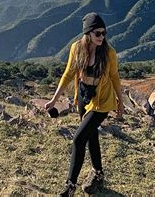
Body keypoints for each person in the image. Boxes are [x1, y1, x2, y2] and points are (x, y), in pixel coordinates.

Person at [45, 12, 124, 196]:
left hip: (102, 100)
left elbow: (114, 77)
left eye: (104, 33)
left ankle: (70, 186)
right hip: (83, 95)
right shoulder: (76, 48)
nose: (102, 37)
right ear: (88, 33)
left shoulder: (109, 52)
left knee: (78, 139)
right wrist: (54, 100)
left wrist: (120, 101)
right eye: (98, 33)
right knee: (90, 134)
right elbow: (68, 74)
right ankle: (98, 174)